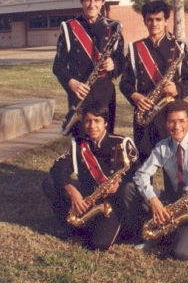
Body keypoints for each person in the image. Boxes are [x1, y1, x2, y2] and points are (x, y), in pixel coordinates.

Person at [122, 99, 188, 260]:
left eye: (182, 121)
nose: (177, 127)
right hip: (173, 201)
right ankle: (149, 235)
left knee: (181, 253)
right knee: (130, 188)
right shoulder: (162, 147)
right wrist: (153, 199)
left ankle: (181, 232)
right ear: (166, 124)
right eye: (172, 121)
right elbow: (140, 175)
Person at [42, 100, 139, 251]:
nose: (92, 126)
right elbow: (57, 169)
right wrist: (72, 191)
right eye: (88, 121)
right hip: (88, 198)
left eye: (97, 121)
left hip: (112, 203)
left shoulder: (122, 143)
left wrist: (120, 183)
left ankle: (101, 227)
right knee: (50, 183)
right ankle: (73, 225)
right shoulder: (80, 144)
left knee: (98, 244)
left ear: (106, 123)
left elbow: (138, 171)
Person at [119, 0, 188, 162]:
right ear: (145, 21)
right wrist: (135, 96)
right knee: (144, 165)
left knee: (174, 165)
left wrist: (178, 89)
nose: (154, 23)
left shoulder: (179, 47)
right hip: (145, 113)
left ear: (166, 21)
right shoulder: (135, 48)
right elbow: (124, 83)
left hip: (171, 113)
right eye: (150, 19)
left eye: (158, 19)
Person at [53, 0, 126, 136]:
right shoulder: (69, 28)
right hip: (79, 93)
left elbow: (121, 60)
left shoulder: (113, 27)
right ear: (82, 1)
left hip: (105, 92)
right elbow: (58, 66)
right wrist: (70, 82)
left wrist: (114, 64)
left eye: (96, 0)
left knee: (105, 137)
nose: (92, 5)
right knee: (81, 139)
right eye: (87, 0)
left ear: (103, 1)